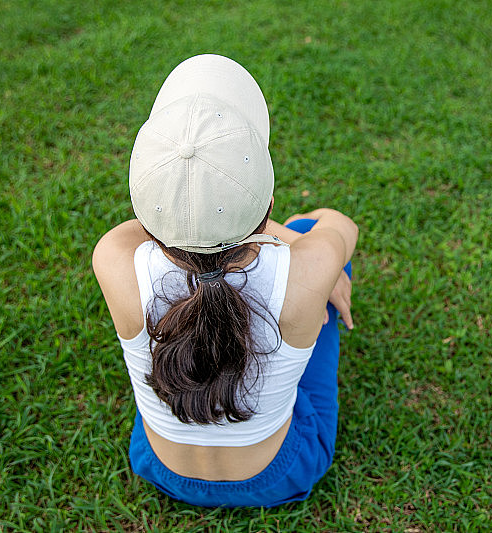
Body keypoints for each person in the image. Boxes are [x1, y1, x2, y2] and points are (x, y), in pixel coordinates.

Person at [92, 54, 358, 507]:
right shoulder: (309, 268)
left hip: (160, 465)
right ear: (267, 204)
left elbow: (149, 229)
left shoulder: (114, 259)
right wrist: (292, 241)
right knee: (314, 239)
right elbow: (339, 225)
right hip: (280, 473)